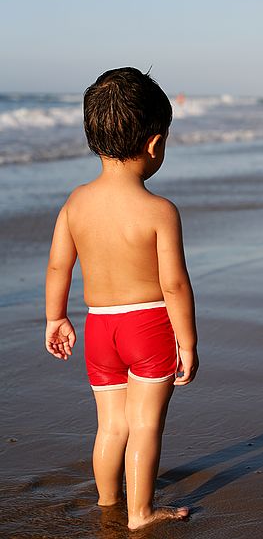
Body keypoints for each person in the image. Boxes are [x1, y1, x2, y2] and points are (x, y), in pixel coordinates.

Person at [44, 67, 198, 531]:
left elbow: (58, 266)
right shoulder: (159, 211)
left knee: (111, 425)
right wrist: (186, 343)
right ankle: (140, 512)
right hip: (147, 327)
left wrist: (56, 318)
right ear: (154, 144)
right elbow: (174, 285)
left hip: (99, 327)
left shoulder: (75, 203)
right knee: (146, 425)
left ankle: (108, 500)